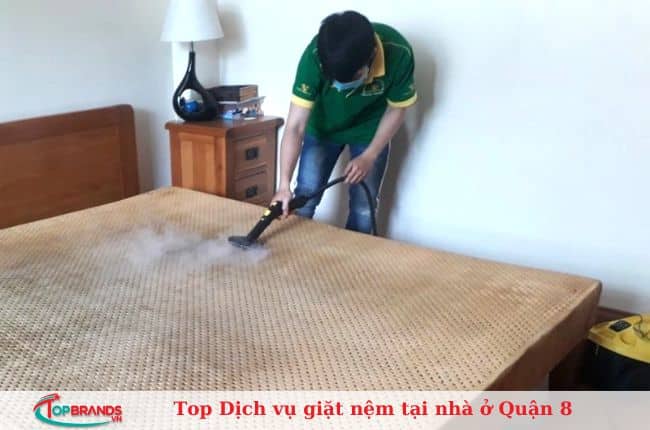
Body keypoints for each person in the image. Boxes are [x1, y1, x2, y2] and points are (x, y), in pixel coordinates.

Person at [271, 10, 417, 234]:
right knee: (305, 196)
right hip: (322, 128)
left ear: (372, 55)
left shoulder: (399, 53)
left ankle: (354, 257)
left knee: (364, 208)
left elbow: (397, 109)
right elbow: (295, 126)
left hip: (369, 132)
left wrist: (369, 155)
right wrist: (283, 185)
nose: (340, 87)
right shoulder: (315, 54)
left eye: (352, 78)